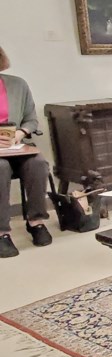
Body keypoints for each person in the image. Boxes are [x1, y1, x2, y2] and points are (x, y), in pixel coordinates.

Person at [0, 46, 53, 258]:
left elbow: (31, 119)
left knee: (38, 163)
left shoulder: (17, 84)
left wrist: (21, 133)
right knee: (0, 168)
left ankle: (36, 221)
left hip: (16, 145)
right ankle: (2, 232)